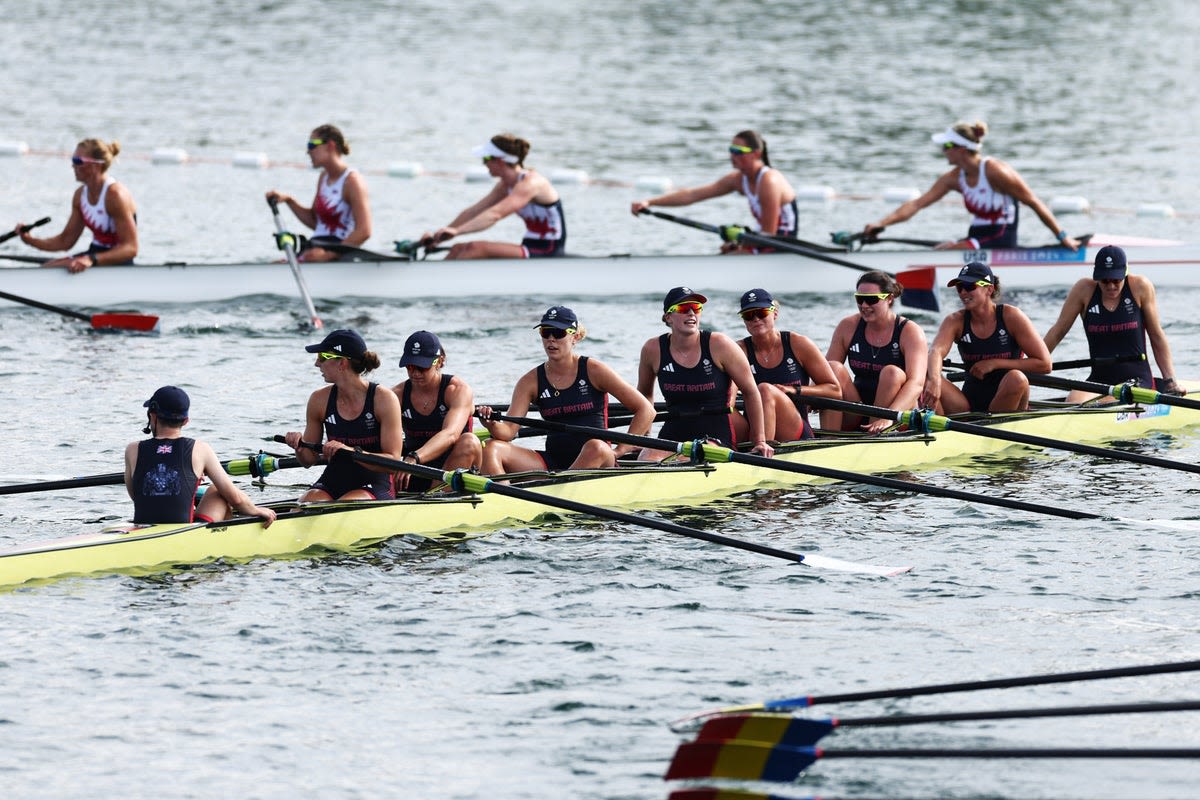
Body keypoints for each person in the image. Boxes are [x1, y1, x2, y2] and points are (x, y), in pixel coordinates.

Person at [477, 306, 655, 473]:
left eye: (559, 333)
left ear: (575, 337)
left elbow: (646, 410)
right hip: (552, 462)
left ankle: (557, 489)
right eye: (546, 332)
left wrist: (620, 450)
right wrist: (491, 423)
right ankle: (505, 498)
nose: (551, 339)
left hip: (598, 458)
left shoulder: (594, 370)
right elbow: (508, 432)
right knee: (491, 447)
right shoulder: (530, 381)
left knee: (596, 446)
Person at [862, 120, 1081, 252]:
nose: (943, 150)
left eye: (947, 145)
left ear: (963, 149)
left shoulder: (996, 171)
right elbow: (918, 204)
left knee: (946, 251)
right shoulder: (954, 178)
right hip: (976, 237)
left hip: (1001, 237)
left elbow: (1033, 202)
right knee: (943, 249)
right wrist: (882, 224)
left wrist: (1062, 237)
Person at [636, 287, 775, 458]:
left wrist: (759, 440)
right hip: (673, 431)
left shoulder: (720, 344)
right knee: (645, 457)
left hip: (715, 433)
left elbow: (751, 392)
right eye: (683, 309)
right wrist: (643, 438)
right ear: (668, 317)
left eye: (696, 308)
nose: (691, 313)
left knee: (689, 456)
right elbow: (644, 397)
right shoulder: (652, 349)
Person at [1042, 245, 1184, 401]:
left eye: (1116, 280)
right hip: (1099, 380)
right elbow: (1058, 332)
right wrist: (1032, 363)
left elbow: (1156, 336)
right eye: (1104, 281)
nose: (1111, 286)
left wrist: (1170, 381)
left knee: (1101, 403)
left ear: (1125, 273)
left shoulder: (1140, 287)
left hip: (1136, 382)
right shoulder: (1083, 290)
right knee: (1073, 401)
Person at [124, 386, 276, 526]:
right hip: (182, 532)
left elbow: (137, 497)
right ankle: (223, 540)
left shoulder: (132, 449)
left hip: (143, 528)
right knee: (218, 490)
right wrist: (255, 510)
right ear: (185, 421)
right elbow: (235, 499)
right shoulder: (200, 449)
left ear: (152, 415)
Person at [283, 329, 403, 501]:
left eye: (323, 357)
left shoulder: (384, 399)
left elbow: (394, 461)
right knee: (306, 504)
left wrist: (351, 451)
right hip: (336, 476)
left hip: (375, 480)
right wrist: (299, 447)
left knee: (347, 504)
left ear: (342, 363)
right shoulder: (319, 399)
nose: (317, 363)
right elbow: (308, 460)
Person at [631, 130, 798, 252]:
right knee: (727, 250)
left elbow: (769, 233)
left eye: (738, 152)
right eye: (731, 151)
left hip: (781, 243)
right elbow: (692, 195)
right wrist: (650, 202)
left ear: (756, 154)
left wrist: (740, 239)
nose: (732, 156)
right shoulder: (738, 179)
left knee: (731, 254)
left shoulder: (769, 180)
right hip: (764, 240)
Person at [924, 262, 1052, 414]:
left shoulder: (1011, 316)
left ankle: (995, 425)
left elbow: (1044, 364)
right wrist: (934, 380)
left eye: (970, 286)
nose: (963, 292)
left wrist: (994, 363)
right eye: (960, 287)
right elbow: (936, 351)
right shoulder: (955, 321)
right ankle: (936, 429)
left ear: (989, 289)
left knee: (1017, 378)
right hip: (968, 403)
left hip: (1009, 395)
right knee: (925, 371)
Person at [425, 133, 566, 260]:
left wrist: (457, 231)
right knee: (457, 249)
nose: (484, 164)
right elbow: (473, 211)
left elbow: (495, 214)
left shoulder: (532, 183)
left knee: (474, 248)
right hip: (530, 244)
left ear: (500, 160)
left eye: (486, 158)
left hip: (549, 249)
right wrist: (438, 237)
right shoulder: (505, 185)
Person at [825, 271, 929, 432]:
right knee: (832, 368)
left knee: (892, 373)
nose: (864, 305)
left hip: (897, 411)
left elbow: (917, 384)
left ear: (889, 299)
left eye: (872, 299)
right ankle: (827, 438)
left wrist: (888, 417)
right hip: (858, 407)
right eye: (860, 299)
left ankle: (874, 433)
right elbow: (824, 376)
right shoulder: (847, 326)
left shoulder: (910, 332)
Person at [16, 138, 138, 272]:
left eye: (78, 161)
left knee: (53, 268)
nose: (73, 166)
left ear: (96, 165)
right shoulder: (80, 196)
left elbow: (131, 248)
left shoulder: (115, 195)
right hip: (94, 253)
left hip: (119, 261)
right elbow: (65, 241)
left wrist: (91, 260)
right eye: (72, 160)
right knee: (46, 269)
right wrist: (29, 240)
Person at [735, 288, 840, 441]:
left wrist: (793, 390)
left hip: (795, 430)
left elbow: (834, 390)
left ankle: (761, 452)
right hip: (754, 428)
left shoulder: (798, 344)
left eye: (762, 313)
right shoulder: (738, 350)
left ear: (775, 313)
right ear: (744, 320)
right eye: (749, 315)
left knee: (765, 389)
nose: (756, 319)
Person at [390, 330, 483, 492]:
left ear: (440, 362)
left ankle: (434, 498)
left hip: (455, 469)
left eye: (422, 367)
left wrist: (414, 457)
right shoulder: (396, 395)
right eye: (410, 366)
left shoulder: (457, 390)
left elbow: (451, 434)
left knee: (470, 441)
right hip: (415, 471)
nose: (415, 373)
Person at [265, 124, 372, 263]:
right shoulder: (323, 178)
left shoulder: (352, 181)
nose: (308, 152)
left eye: (311, 145)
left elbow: (364, 231)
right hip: (315, 248)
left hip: (338, 253)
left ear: (330, 145)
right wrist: (289, 201)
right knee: (276, 265)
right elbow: (316, 222)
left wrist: (329, 255)